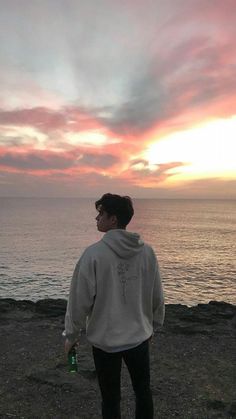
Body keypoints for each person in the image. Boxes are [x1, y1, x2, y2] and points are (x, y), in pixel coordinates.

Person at [64, 193, 165, 419]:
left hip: (106, 342)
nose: (96, 218)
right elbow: (156, 294)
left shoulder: (93, 255)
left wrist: (71, 334)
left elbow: (79, 300)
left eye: (101, 214)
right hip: (139, 338)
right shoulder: (147, 252)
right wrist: (154, 325)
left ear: (113, 219)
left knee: (110, 398)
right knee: (143, 391)